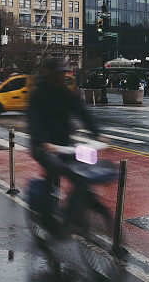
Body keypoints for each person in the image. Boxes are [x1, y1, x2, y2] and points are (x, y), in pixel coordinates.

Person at [28, 60, 101, 223]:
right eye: (58, 74)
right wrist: (43, 142)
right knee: (54, 171)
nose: (62, 77)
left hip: (64, 145)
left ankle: (73, 210)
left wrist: (97, 133)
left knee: (82, 170)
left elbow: (82, 112)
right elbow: (34, 122)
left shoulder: (65, 93)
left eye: (63, 73)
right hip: (43, 147)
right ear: (50, 75)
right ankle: (48, 215)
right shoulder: (38, 95)